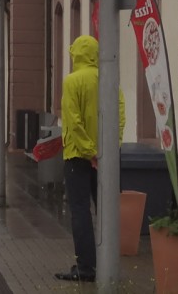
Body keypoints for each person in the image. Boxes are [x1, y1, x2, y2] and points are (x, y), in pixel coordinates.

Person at [54, 34, 125, 283]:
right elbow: (120, 114)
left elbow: (73, 121)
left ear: (77, 55)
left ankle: (86, 267)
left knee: (80, 211)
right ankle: (109, 263)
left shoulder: (72, 81)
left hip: (77, 156)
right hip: (104, 158)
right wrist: (107, 149)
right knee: (106, 210)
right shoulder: (108, 78)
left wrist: (88, 151)